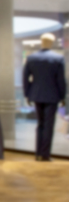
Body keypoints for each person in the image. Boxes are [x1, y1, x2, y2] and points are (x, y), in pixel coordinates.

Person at [23, 33, 67, 161]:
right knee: (48, 125)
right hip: (52, 95)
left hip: (36, 94)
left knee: (40, 124)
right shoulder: (58, 59)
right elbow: (60, 80)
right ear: (51, 43)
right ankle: (45, 154)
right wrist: (62, 96)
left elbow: (25, 78)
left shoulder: (31, 58)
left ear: (41, 42)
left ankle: (38, 153)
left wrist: (28, 94)